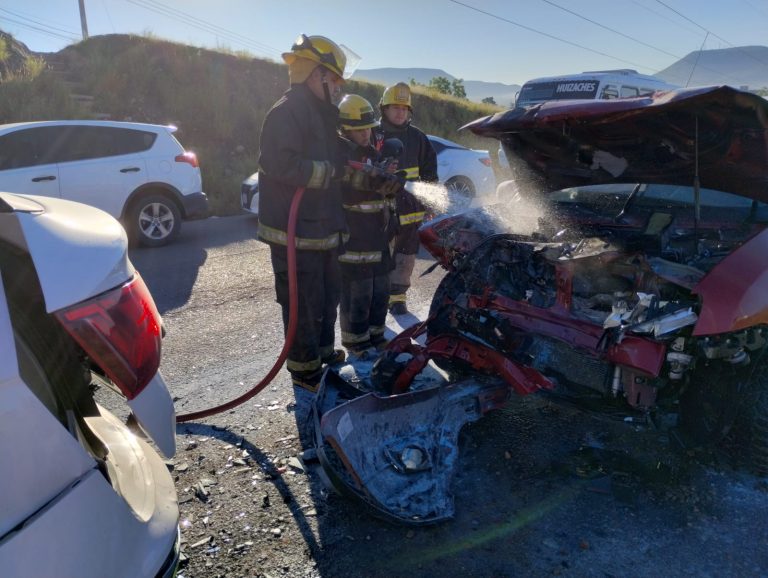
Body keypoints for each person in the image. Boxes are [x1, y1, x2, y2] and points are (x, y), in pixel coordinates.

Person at [257, 34, 349, 393]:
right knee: (303, 302)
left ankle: (323, 354)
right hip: (294, 234)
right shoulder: (287, 110)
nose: (339, 87)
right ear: (316, 75)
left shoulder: (321, 112)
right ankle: (304, 372)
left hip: (321, 228)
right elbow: (279, 163)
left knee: (327, 295)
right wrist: (328, 172)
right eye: (335, 80)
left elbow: (334, 158)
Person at [336, 94, 399, 358]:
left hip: (378, 235)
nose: (365, 133)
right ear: (345, 129)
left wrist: (392, 181)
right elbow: (346, 189)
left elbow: (386, 191)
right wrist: (372, 181)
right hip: (355, 236)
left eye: (368, 127)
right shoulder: (340, 155)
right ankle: (356, 342)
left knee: (381, 287)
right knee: (357, 291)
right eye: (359, 129)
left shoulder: (373, 153)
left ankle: (377, 335)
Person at [374, 82, 438, 316]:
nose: (400, 112)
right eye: (395, 108)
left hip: (410, 209)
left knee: (406, 255)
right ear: (384, 109)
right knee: (379, 254)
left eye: (404, 108)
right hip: (378, 209)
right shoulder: (374, 134)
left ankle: (398, 298)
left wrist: (429, 204)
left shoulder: (418, 138)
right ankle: (378, 296)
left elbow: (430, 174)